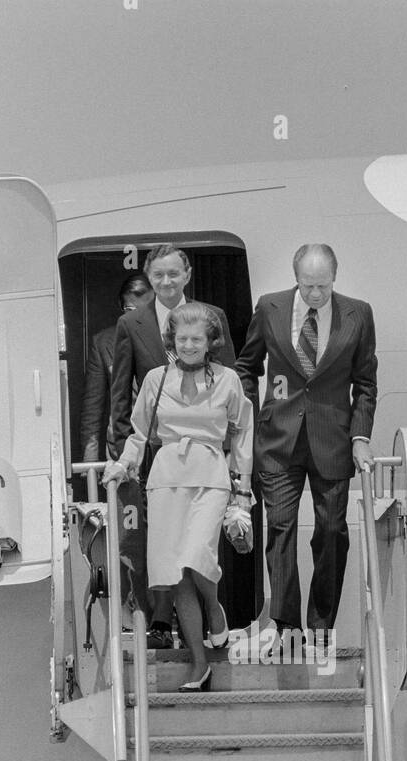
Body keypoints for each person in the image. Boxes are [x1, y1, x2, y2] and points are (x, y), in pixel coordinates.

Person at [103, 302, 253, 692]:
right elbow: (138, 434)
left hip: (210, 476)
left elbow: (242, 431)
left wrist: (243, 485)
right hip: (166, 478)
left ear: (210, 342)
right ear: (172, 341)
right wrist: (123, 464)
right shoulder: (155, 379)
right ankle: (199, 664)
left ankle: (215, 612)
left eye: (196, 339)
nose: (188, 346)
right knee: (176, 573)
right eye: (182, 339)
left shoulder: (228, 380)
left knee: (196, 557)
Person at [235, 242, 378, 644]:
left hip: (331, 440)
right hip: (277, 440)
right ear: (295, 277)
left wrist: (360, 437)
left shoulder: (358, 313)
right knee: (280, 529)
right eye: (308, 285)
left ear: (335, 277)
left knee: (331, 531)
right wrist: (251, 416)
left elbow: (365, 384)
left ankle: (320, 627)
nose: (315, 294)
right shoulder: (269, 307)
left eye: (323, 286)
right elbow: (246, 367)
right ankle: (285, 626)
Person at [108, 245, 241, 643]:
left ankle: (209, 621)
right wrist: (123, 457)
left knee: (197, 550)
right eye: (158, 276)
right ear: (149, 279)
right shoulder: (131, 323)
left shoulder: (210, 317)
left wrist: (237, 462)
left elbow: (233, 379)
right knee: (164, 549)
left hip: (207, 461)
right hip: (159, 458)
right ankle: (164, 624)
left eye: (173, 274)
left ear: (186, 275)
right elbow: (121, 398)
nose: (166, 282)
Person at [80, 272, 154, 464]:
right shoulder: (104, 343)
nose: (138, 318)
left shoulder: (173, 340)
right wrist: (90, 465)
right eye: (130, 310)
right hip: (120, 450)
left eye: (145, 310)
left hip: (164, 447)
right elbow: (92, 410)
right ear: (121, 308)